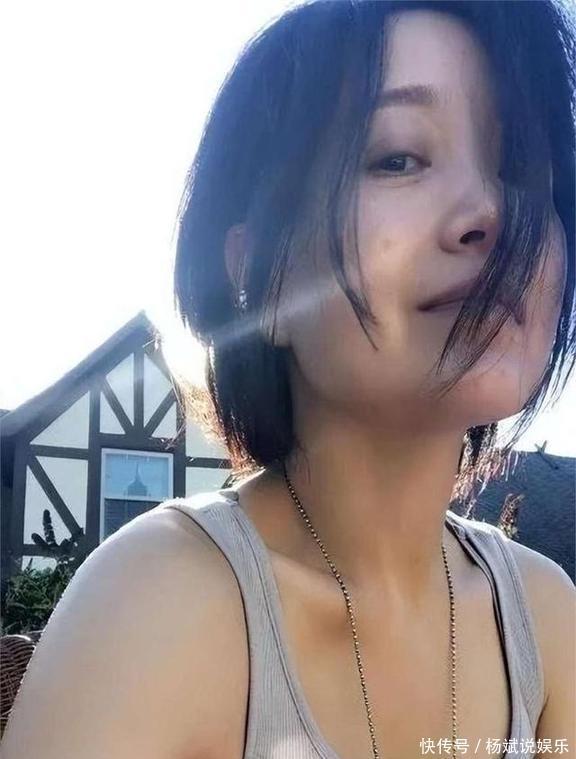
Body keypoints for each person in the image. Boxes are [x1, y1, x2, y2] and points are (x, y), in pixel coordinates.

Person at [2, 1, 575, 758]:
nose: (490, 211)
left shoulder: (545, 618)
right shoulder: (160, 606)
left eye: (518, 168)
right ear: (260, 278)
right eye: (398, 157)